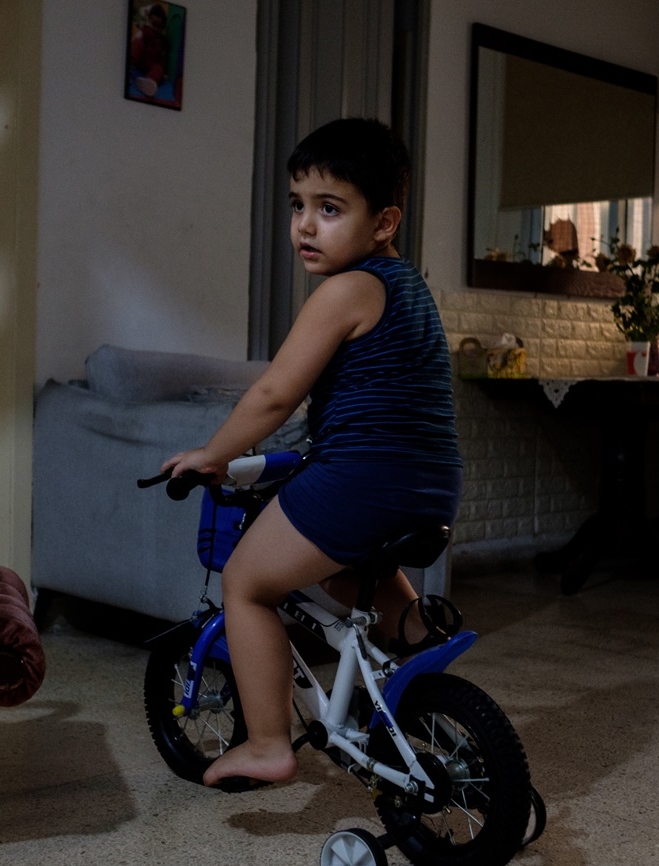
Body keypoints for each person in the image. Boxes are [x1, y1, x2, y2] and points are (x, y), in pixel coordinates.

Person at [162, 117, 462, 789]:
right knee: (342, 573)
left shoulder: (343, 291)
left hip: (361, 480)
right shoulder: (408, 289)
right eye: (298, 205)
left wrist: (214, 454)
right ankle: (421, 656)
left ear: (384, 221)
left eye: (330, 209)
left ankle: (268, 743)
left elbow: (274, 394)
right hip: (431, 482)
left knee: (246, 581)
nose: (305, 225)